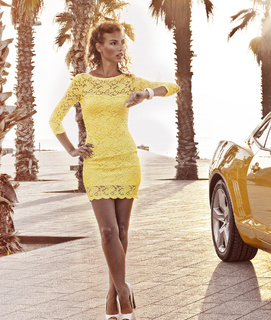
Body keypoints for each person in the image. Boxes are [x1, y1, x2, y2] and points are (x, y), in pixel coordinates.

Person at [49, 22, 179, 320]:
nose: (120, 48)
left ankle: (112, 296)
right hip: (96, 164)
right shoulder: (82, 82)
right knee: (108, 231)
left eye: (122, 43)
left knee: (121, 231)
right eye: (113, 43)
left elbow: (172, 87)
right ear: (98, 46)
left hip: (126, 160)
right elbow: (55, 119)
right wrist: (72, 149)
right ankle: (123, 292)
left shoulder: (127, 81)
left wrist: (145, 93)